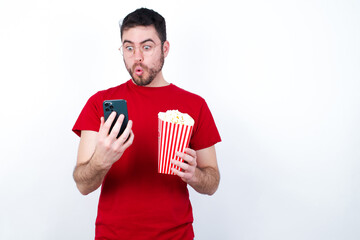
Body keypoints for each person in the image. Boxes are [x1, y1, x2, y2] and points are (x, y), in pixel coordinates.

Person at [72, 8, 221, 240]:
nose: (137, 56)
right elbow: (83, 185)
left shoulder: (195, 105)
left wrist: (195, 175)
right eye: (129, 47)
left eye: (147, 46)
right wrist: (101, 160)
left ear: (165, 48)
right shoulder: (99, 103)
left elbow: (212, 183)